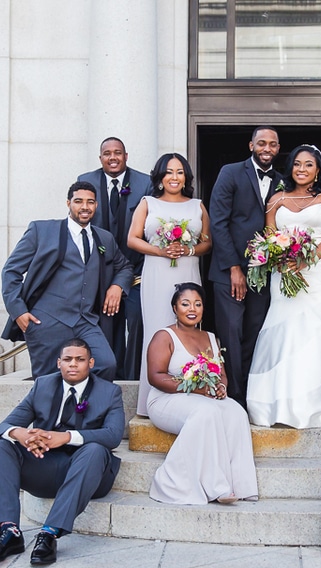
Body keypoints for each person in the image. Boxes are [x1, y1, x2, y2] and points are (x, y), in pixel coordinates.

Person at [0, 338, 125, 565]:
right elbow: (2, 427)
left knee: (95, 450)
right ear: (58, 363)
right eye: (67, 359)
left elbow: (113, 435)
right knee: (0, 447)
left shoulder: (109, 391)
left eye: (80, 359)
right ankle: (9, 532)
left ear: (91, 363)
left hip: (87, 472)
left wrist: (66, 437)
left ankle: (49, 533)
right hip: (44, 466)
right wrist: (21, 434)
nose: (73, 364)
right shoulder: (43, 386)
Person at [247, 144, 321, 428]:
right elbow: (270, 234)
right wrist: (279, 255)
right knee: (284, 328)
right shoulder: (276, 199)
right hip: (283, 270)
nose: (302, 169)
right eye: (297, 164)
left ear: (318, 169)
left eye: (308, 164)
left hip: (319, 273)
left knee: (317, 329)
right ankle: (279, 404)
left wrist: (306, 260)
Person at [0, 181, 133, 380]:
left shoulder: (104, 238)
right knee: (48, 381)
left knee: (106, 365)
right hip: (46, 320)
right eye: (78, 201)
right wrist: (19, 311)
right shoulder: (42, 230)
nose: (85, 207)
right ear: (68, 203)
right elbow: (11, 271)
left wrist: (117, 286)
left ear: (96, 205)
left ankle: (84, 402)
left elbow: (124, 267)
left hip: (86, 321)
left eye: (90, 202)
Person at [145, 283, 258, 504]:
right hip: (166, 399)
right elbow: (155, 376)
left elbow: (221, 374)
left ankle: (242, 485)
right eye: (185, 304)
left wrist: (221, 388)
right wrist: (196, 389)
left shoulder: (211, 338)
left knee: (236, 412)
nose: (192, 309)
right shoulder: (165, 336)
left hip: (203, 397)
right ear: (175, 308)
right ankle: (215, 487)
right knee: (207, 412)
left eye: (197, 304)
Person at [128, 153, 212, 415]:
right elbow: (132, 239)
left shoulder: (197, 206)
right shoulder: (148, 203)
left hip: (187, 270)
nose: (174, 177)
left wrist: (188, 250)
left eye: (179, 172)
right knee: (157, 328)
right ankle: (150, 401)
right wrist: (160, 251)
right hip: (157, 272)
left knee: (189, 328)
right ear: (160, 177)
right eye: (169, 172)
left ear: (186, 177)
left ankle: (191, 391)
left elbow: (207, 242)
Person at [209, 126, 282, 409]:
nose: (267, 148)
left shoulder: (282, 180)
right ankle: (233, 397)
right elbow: (218, 222)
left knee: (256, 333)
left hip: (265, 272)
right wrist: (233, 268)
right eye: (261, 143)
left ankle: (250, 395)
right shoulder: (230, 172)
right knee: (230, 333)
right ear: (251, 146)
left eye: (272, 144)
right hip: (229, 271)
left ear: (278, 148)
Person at [77, 137, 153, 380]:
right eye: (107, 153)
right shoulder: (86, 180)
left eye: (117, 153)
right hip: (101, 273)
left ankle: (133, 380)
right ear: (100, 158)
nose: (113, 157)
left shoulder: (145, 183)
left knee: (137, 322)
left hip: (137, 270)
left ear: (126, 156)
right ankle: (109, 378)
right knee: (107, 329)